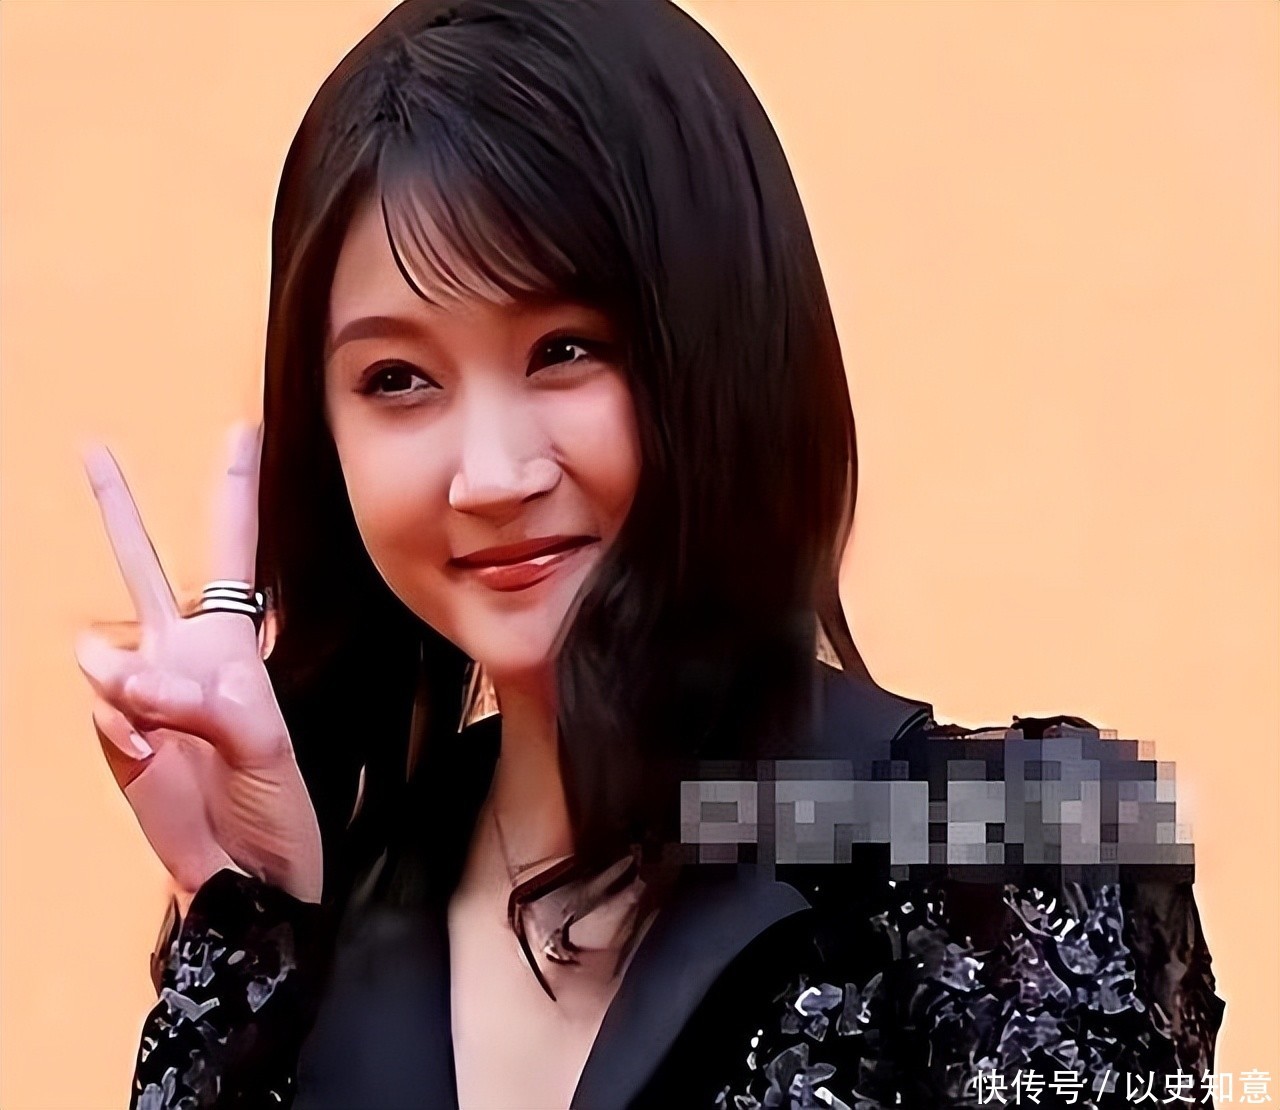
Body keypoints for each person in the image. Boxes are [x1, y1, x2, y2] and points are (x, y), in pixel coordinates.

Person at [75, 1, 1224, 1107]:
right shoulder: (308, 934)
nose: (489, 476)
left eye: (564, 349)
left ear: (724, 349)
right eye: (398, 379)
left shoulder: (1017, 858)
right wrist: (252, 928)